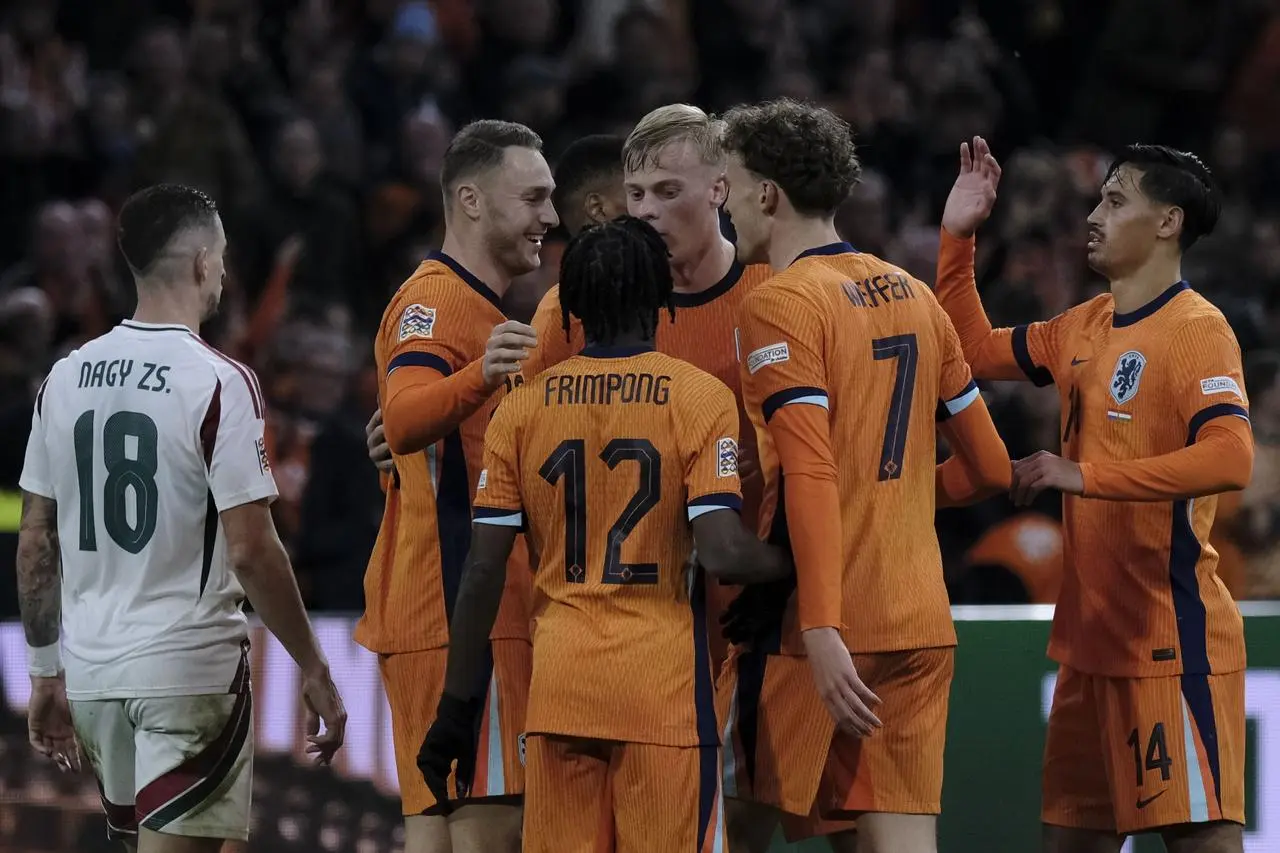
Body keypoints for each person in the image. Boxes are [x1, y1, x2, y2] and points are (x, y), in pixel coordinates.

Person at [416, 215, 792, 852]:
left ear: (571, 312)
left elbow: (482, 573)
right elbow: (723, 549)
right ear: (660, 303)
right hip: (663, 691)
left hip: (561, 688)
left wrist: (456, 706)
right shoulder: (698, 398)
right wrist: (792, 564)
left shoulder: (519, 410)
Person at [936, 139, 1252, 853]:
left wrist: (1088, 476)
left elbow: (1231, 456)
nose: (1093, 215)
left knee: (1201, 842)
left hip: (1170, 643)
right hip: (1087, 647)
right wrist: (960, 237)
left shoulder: (1198, 330)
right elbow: (972, 345)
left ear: (1168, 222)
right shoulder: (1083, 325)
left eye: (1115, 201)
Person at [717, 99, 1012, 853]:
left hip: (819, 624)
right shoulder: (914, 294)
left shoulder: (777, 303)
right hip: (917, 620)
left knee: (728, 823)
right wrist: (900, 493)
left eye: (730, 184)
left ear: (768, 194)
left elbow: (810, 468)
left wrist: (820, 625)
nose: (724, 205)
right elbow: (991, 467)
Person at [16, 183, 346, 853]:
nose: (223, 271)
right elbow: (252, 549)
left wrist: (46, 671)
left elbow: (34, 541)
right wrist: (312, 664)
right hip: (185, 667)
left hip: (94, 671)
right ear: (200, 261)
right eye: (221, 256)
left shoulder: (63, 377)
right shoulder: (219, 379)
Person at [356, 119, 557, 853]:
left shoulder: (473, 306)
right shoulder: (441, 301)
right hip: (465, 616)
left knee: (438, 838)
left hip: (431, 615)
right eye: (533, 197)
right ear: (470, 200)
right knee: (493, 830)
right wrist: (483, 373)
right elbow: (406, 416)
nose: (551, 217)